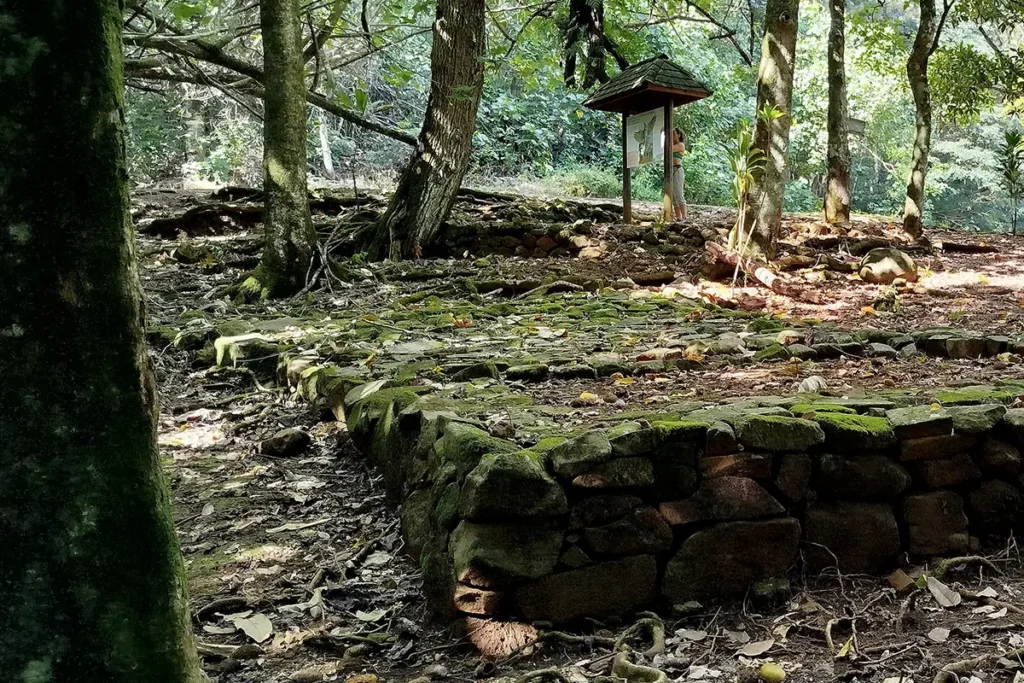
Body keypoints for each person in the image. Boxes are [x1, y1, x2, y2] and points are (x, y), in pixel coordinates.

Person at [671, 127, 687, 221]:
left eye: (673, 134)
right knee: (673, 196)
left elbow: (669, 148)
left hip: (677, 170)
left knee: (678, 194)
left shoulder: (680, 145)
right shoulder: (672, 144)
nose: (671, 136)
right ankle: (678, 218)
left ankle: (684, 217)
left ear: (678, 135)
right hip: (671, 170)